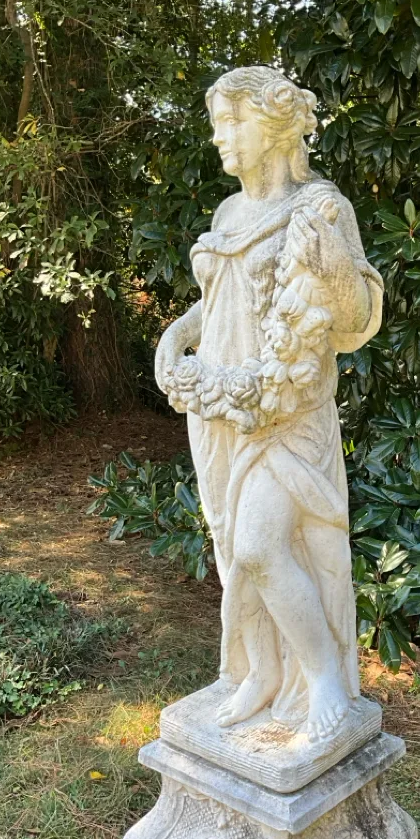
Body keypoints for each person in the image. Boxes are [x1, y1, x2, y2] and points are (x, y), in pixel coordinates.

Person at [155, 66, 383, 743]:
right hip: (219, 409)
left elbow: (355, 319)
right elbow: (216, 303)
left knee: (259, 546)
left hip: (287, 411)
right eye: (217, 124)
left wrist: (334, 263)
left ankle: (325, 680)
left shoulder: (320, 208)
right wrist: (175, 336)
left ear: (277, 127)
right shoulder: (228, 214)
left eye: (234, 122)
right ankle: (260, 671)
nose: (220, 137)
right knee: (235, 553)